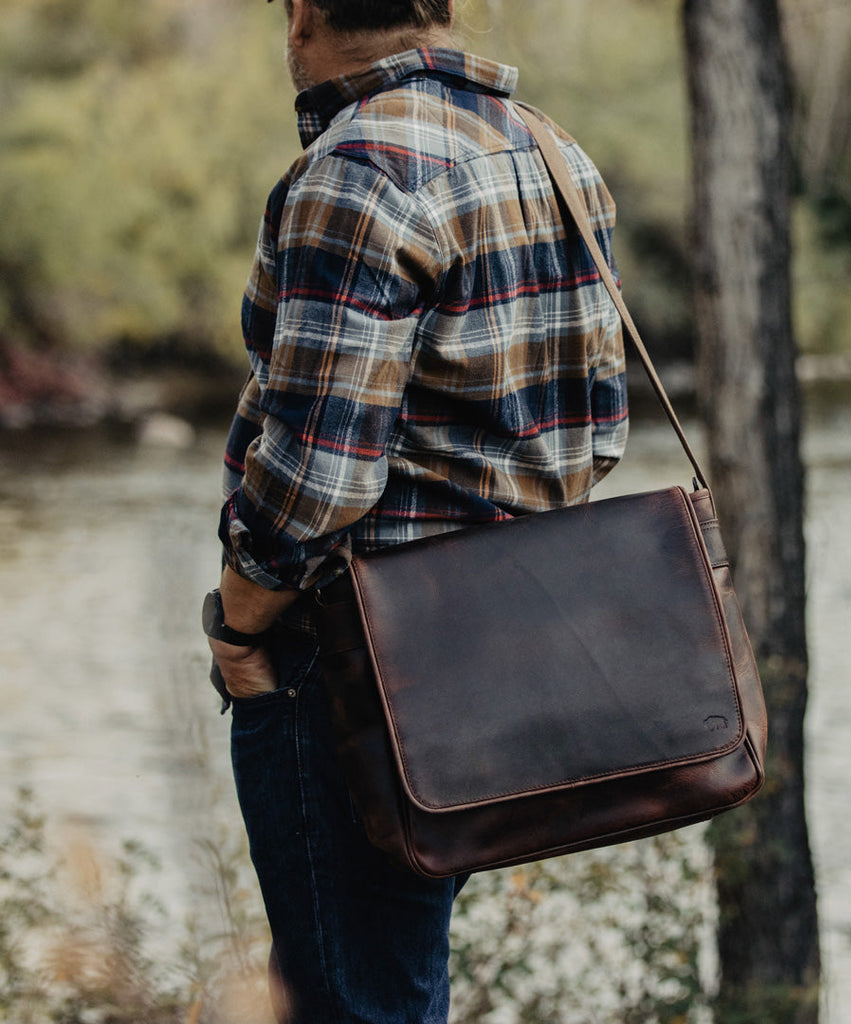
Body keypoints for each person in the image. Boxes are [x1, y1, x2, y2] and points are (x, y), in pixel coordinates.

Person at [202, 1, 628, 1020]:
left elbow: (315, 473)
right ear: (439, 6)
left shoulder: (358, 171)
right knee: (393, 976)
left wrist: (237, 625)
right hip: (504, 648)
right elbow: (589, 431)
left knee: (351, 998)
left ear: (303, 17)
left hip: (360, 665)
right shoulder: (550, 151)